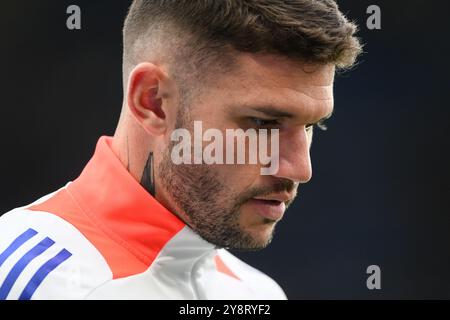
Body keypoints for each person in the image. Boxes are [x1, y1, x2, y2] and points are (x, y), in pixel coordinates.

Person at [0, 0, 361, 300]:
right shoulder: (30, 279)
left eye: (313, 125)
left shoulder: (255, 293)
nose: (300, 168)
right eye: (265, 123)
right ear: (154, 102)